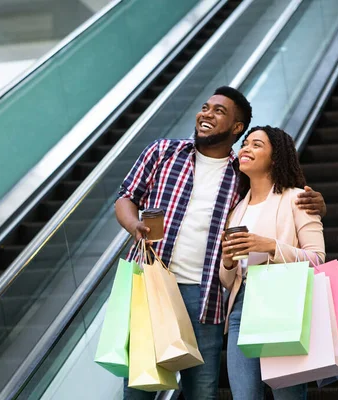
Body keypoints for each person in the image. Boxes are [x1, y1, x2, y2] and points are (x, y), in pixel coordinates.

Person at [115, 87, 326, 400]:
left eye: (218, 111)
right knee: (140, 386)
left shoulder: (239, 175)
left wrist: (318, 206)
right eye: (205, 107)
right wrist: (135, 226)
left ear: (236, 127)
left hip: (208, 297)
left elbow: (276, 195)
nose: (206, 114)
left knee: (202, 392)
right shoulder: (163, 152)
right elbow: (126, 197)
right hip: (154, 284)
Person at [220, 126, 326, 400]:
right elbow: (227, 279)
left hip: (283, 303)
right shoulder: (237, 210)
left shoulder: (296, 199)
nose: (245, 149)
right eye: (245, 144)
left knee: (288, 396)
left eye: (256, 145)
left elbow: (317, 259)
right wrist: (228, 261)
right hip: (241, 308)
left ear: (275, 157)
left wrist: (270, 246)